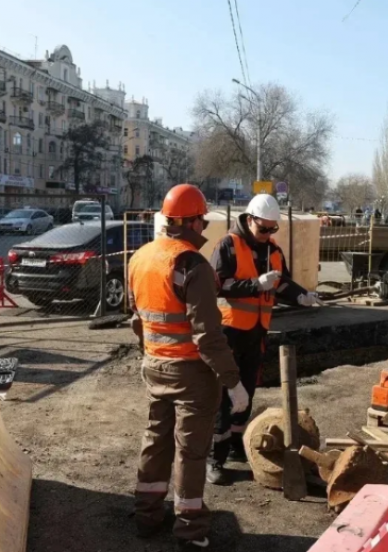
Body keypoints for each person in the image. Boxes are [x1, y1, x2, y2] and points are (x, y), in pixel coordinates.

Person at [129, 184, 249, 552]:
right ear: (192, 221)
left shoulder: (142, 257)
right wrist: (233, 383)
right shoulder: (191, 265)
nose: (204, 227)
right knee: (191, 451)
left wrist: (150, 354)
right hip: (191, 375)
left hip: (155, 367)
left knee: (155, 440)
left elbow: (137, 320)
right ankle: (190, 529)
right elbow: (208, 336)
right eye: (202, 220)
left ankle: (147, 514)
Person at [207, 193, 320, 485]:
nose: (268, 234)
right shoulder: (228, 246)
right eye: (264, 228)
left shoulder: (273, 251)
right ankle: (214, 459)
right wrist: (255, 285)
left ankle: (235, 447)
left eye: (273, 229)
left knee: (246, 391)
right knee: (224, 396)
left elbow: (281, 282)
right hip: (229, 331)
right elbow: (218, 285)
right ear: (249, 219)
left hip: (256, 332)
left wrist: (301, 296)